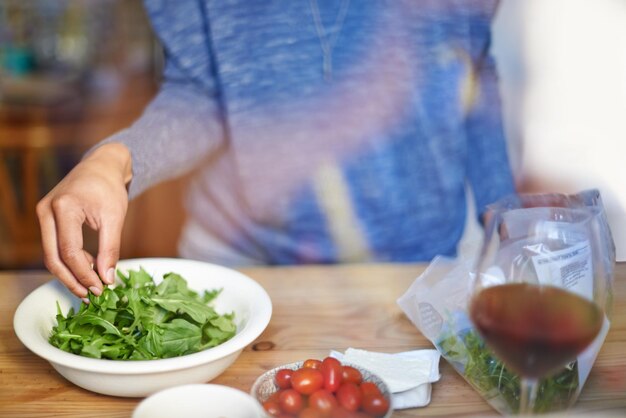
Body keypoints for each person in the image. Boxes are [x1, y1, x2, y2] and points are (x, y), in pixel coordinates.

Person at [36, 0, 515, 300]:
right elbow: (202, 94)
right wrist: (115, 159)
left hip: (417, 271)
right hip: (245, 265)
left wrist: (509, 221)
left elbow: (472, 65)